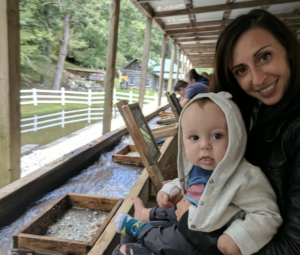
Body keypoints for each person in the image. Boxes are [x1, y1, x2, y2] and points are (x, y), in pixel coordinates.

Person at [177, 9, 300, 255]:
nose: (257, 79)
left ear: (288, 49)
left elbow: (292, 247)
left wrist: (189, 227)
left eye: (264, 57)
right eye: (241, 70)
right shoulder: (254, 112)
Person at [112, 92, 282, 255]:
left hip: (202, 235)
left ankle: (140, 229)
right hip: (189, 214)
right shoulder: (196, 165)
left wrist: (239, 237)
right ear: (183, 140)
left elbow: (267, 214)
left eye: (217, 135)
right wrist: (169, 190)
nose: (205, 145)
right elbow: (183, 181)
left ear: (236, 136)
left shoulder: (245, 177)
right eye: (194, 138)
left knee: (172, 242)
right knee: (171, 206)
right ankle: (145, 214)